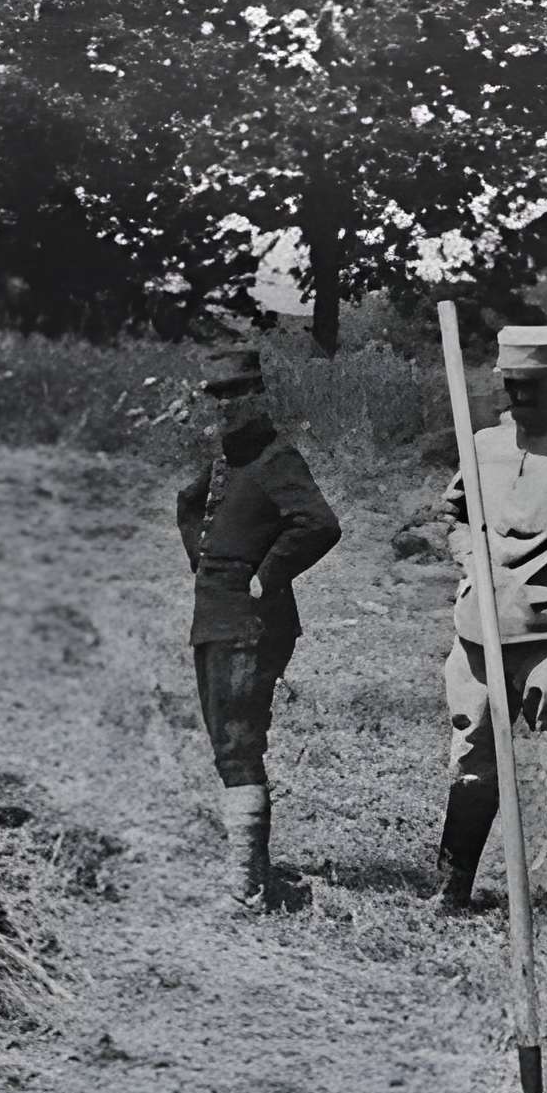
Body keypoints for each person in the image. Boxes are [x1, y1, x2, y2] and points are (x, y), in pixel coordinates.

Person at [435, 324, 547, 924]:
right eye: (511, 387)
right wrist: (468, 558)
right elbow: (455, 514)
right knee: (473, 753)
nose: (521, 399)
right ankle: (453, 888)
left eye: (532, 387)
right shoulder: (481, 443)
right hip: (480, 625)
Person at [175, 344, 341, 908]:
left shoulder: (275, 458)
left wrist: (264, 574)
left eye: (238, 394)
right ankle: (249, 874)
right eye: (218, 397)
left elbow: (319, 523)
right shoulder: (226, 460)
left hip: (249, 622)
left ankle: (246, 889)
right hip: (215, 617)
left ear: (260, 397)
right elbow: (190, 506)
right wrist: (207, 564)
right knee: (228, 742)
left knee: (238, 744)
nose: (227, 407)